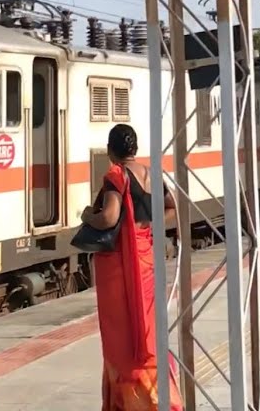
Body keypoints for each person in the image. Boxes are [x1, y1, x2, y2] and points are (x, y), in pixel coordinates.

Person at [81, 124, 183, 410]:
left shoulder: (116, 174)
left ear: (112, 151)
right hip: (146, 259)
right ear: (134, 149)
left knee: (121, 334)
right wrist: (145, 225)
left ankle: (127, 403)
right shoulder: (151, 174)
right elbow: (171, 205)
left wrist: (89, 216)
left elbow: (109, 218)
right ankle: (157, 397)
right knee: (148, 329)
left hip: (119, 266)